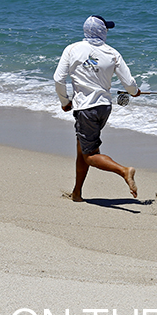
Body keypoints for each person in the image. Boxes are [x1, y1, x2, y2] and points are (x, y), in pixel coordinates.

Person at [53, 15, 141, 201]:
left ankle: (124, 171)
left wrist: (65, 101)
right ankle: (77, 193)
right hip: (104, 108)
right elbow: (130, 84)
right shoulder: (113, 53)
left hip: (85, 108)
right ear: (102, 31)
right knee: (82, 149)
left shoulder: (72, 49)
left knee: (90, 155)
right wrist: (134, 92)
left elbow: (58, 79)